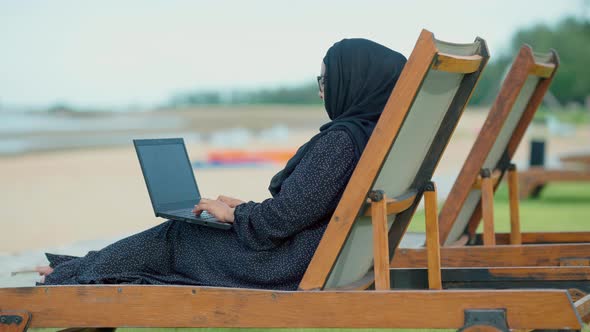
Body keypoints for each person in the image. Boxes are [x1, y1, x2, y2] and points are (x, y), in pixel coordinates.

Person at [37, 39, 407, 290]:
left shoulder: (341, 142)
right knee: (192, 227)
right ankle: (79, 269)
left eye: (326, 79)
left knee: (180, 234)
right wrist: (241, 209)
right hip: (314, 256)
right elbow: (305, 208)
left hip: (288, 266)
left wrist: (237, 216)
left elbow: (280, 221)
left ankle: (71, 276)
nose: (322, 89)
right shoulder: (367, 136)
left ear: (354, 83)